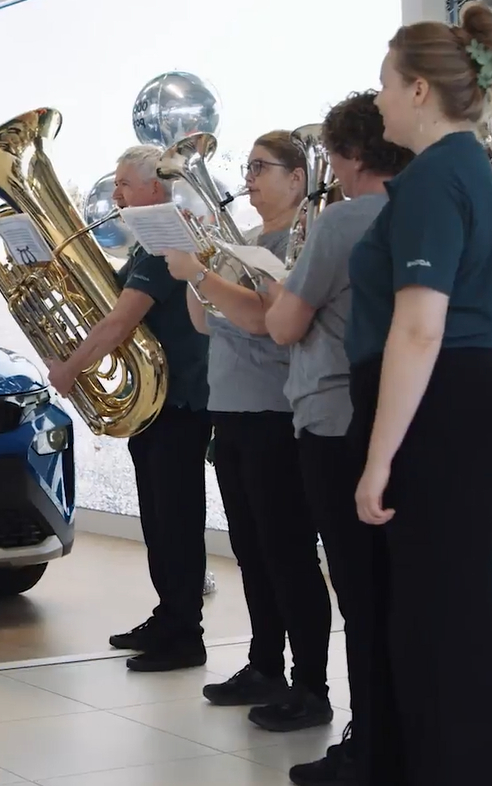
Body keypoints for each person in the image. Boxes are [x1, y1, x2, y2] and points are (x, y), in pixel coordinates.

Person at [346, 1, 492, 784]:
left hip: (442, 407)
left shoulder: (432, 179)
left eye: (387, 83)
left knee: (437, 628)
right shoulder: (466, 168)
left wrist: (378, 459)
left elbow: (420, 330)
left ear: (420, 90)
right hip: (463, 400)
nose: (380, 98)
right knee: (441, 622)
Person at [260, 93, 414, 784]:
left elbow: (285, 326)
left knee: (359, 589)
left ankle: (371, 743)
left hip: (334, 417)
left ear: (350, 155)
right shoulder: (424, 210)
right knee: (400, 589)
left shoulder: (343, 221)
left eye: (331, 156)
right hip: (406, 415)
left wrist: (276, 289)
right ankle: (406, 734)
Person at [157, 132, 334, 732]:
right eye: (248, 167)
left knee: (287, 553)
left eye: (262, 167)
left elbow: (263, 320)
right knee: (252, 553)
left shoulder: (299, 244)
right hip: (232, 411)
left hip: (275, 415)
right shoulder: (247, 241)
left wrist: (203, 275)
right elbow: (204, 323)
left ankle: (311, 684)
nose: (249, 178)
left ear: (297, 177)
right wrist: (196, 267)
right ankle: (265, 664)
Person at [48, 145, 212, 673]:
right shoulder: (146, 248)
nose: (115, 194)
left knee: (176, 521)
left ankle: (184, 633)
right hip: (159, 404)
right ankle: (170, 617)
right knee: (160, 520)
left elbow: (119, 323)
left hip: (179, 401)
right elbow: (105, 305)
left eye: (123, 183)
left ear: (154, 188)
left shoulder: (166, 245)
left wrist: (70, 368)